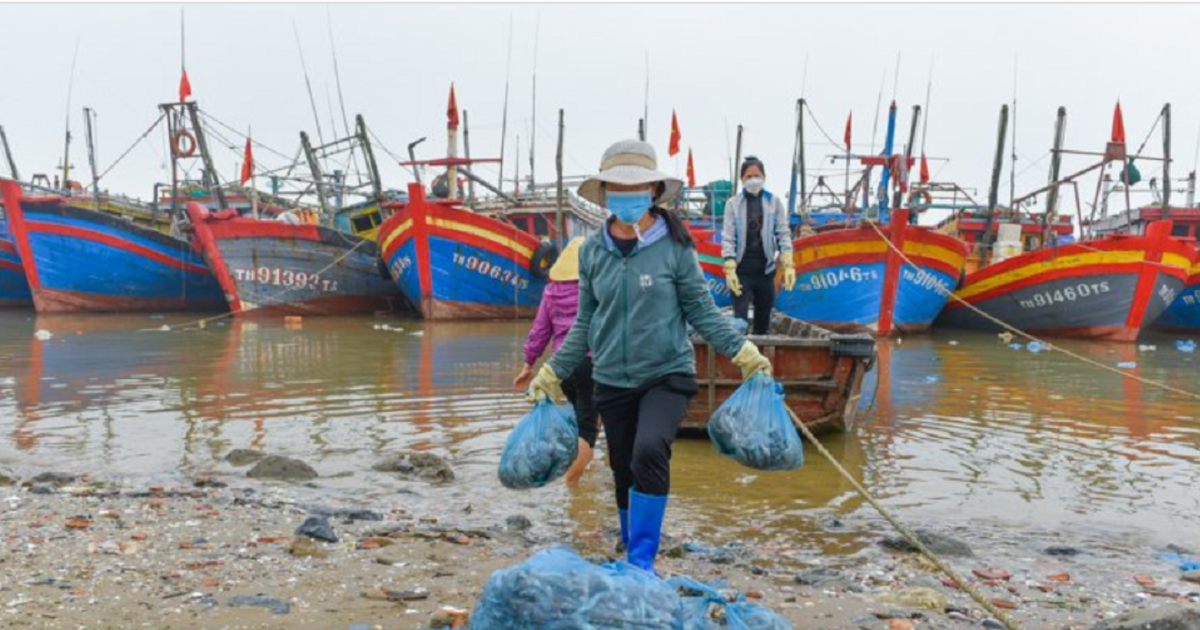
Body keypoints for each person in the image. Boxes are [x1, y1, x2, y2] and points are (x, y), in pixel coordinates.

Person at [526, 139, 772, 573]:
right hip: (611, 378)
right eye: (617, 188)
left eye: (636, 186)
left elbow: (700, 311)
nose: (627, 196)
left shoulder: (676, 248)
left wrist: (745, 352)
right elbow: (584, 323)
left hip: (665, 373)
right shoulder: (592, 252)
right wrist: (551, 371)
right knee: (622, 466)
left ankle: (642, 563)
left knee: (648, 451)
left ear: (654, 191)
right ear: (604, 195)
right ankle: (629, 545)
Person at [514, 237, 597, 487]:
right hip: (592, 363)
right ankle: (572, 482)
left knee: (585, 415)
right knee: (587, 428)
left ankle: (586, 461)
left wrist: (529, 364)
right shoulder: (595, 288)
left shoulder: (551, 291)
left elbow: (540, 330)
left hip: (562, 367)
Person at [721, 156, 796, 335]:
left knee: (762, 325)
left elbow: (783, 233)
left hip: (765, 272)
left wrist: (788, 262)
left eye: (757, 175)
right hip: (741, 273)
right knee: (739, 324)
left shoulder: (774, 202)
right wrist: (729, 265)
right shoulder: (733, 204)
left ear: (764, 177)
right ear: (742, 179)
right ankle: (738, 359)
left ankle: (760, 360)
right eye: (748, 176)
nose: (753, 179)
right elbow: (728, 236)